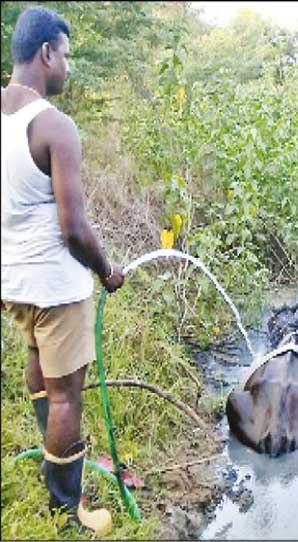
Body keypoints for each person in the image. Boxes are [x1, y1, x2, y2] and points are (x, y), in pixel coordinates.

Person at [1, 6, 124, 535]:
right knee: (65, 397)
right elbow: (74, 230)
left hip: (14, 284)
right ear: (46, 53)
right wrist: (108, 272)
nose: (69, 68)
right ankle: (66, 511)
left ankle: (50, 465)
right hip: (55, 285)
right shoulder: (54, 126)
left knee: (37, 363)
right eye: (66, 57)